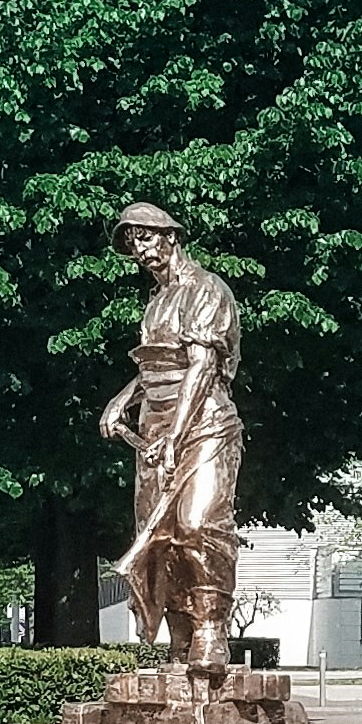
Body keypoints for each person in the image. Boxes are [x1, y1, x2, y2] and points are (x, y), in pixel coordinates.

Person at [97, 201, 246, 669]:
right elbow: (157, 368)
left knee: (198, 524)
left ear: (170, 237)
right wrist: (123, 400)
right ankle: (180, 640)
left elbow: (201, 368)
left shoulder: (206, 290)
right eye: (132, 243)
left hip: (205, 425)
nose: (139, 250)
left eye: (144, 237)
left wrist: (175, 436)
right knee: (158, 538)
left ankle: (210, 630)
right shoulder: (157, 303)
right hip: (155, 427)